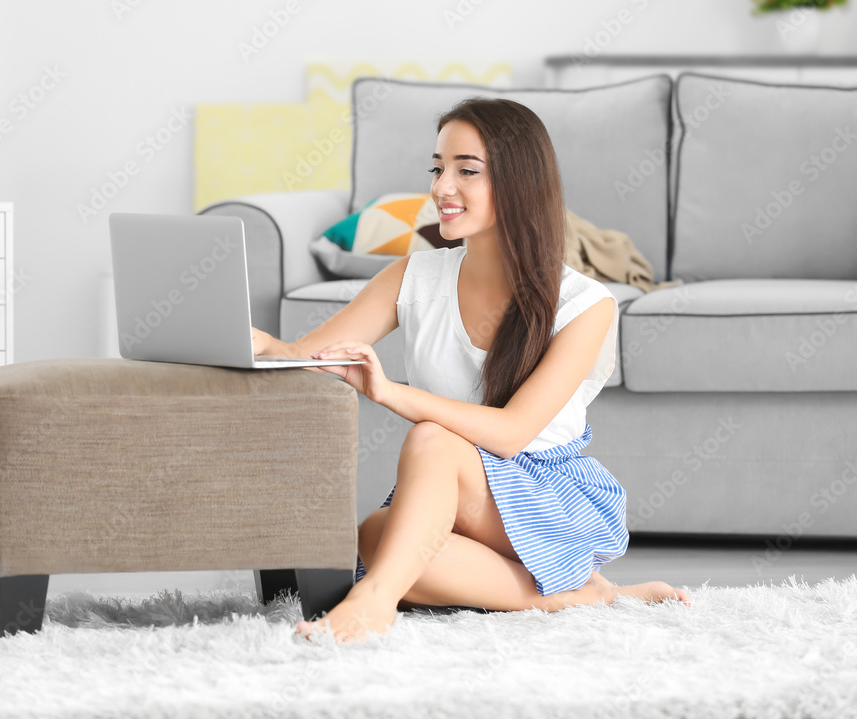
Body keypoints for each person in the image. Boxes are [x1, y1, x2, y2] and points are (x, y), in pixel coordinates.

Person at [250, 97, 692, 646]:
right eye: (437, 169)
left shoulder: (585, 304)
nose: (441, 188)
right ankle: (590, 596)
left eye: (466, 170)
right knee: (377, 535)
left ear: (518, 182)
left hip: (547, 495)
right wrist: (254, 342)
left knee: (431, 441)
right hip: (451, 493)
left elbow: (510, 434)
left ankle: (374, 602)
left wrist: (392, 394)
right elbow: (309, 357)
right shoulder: (414, 275)